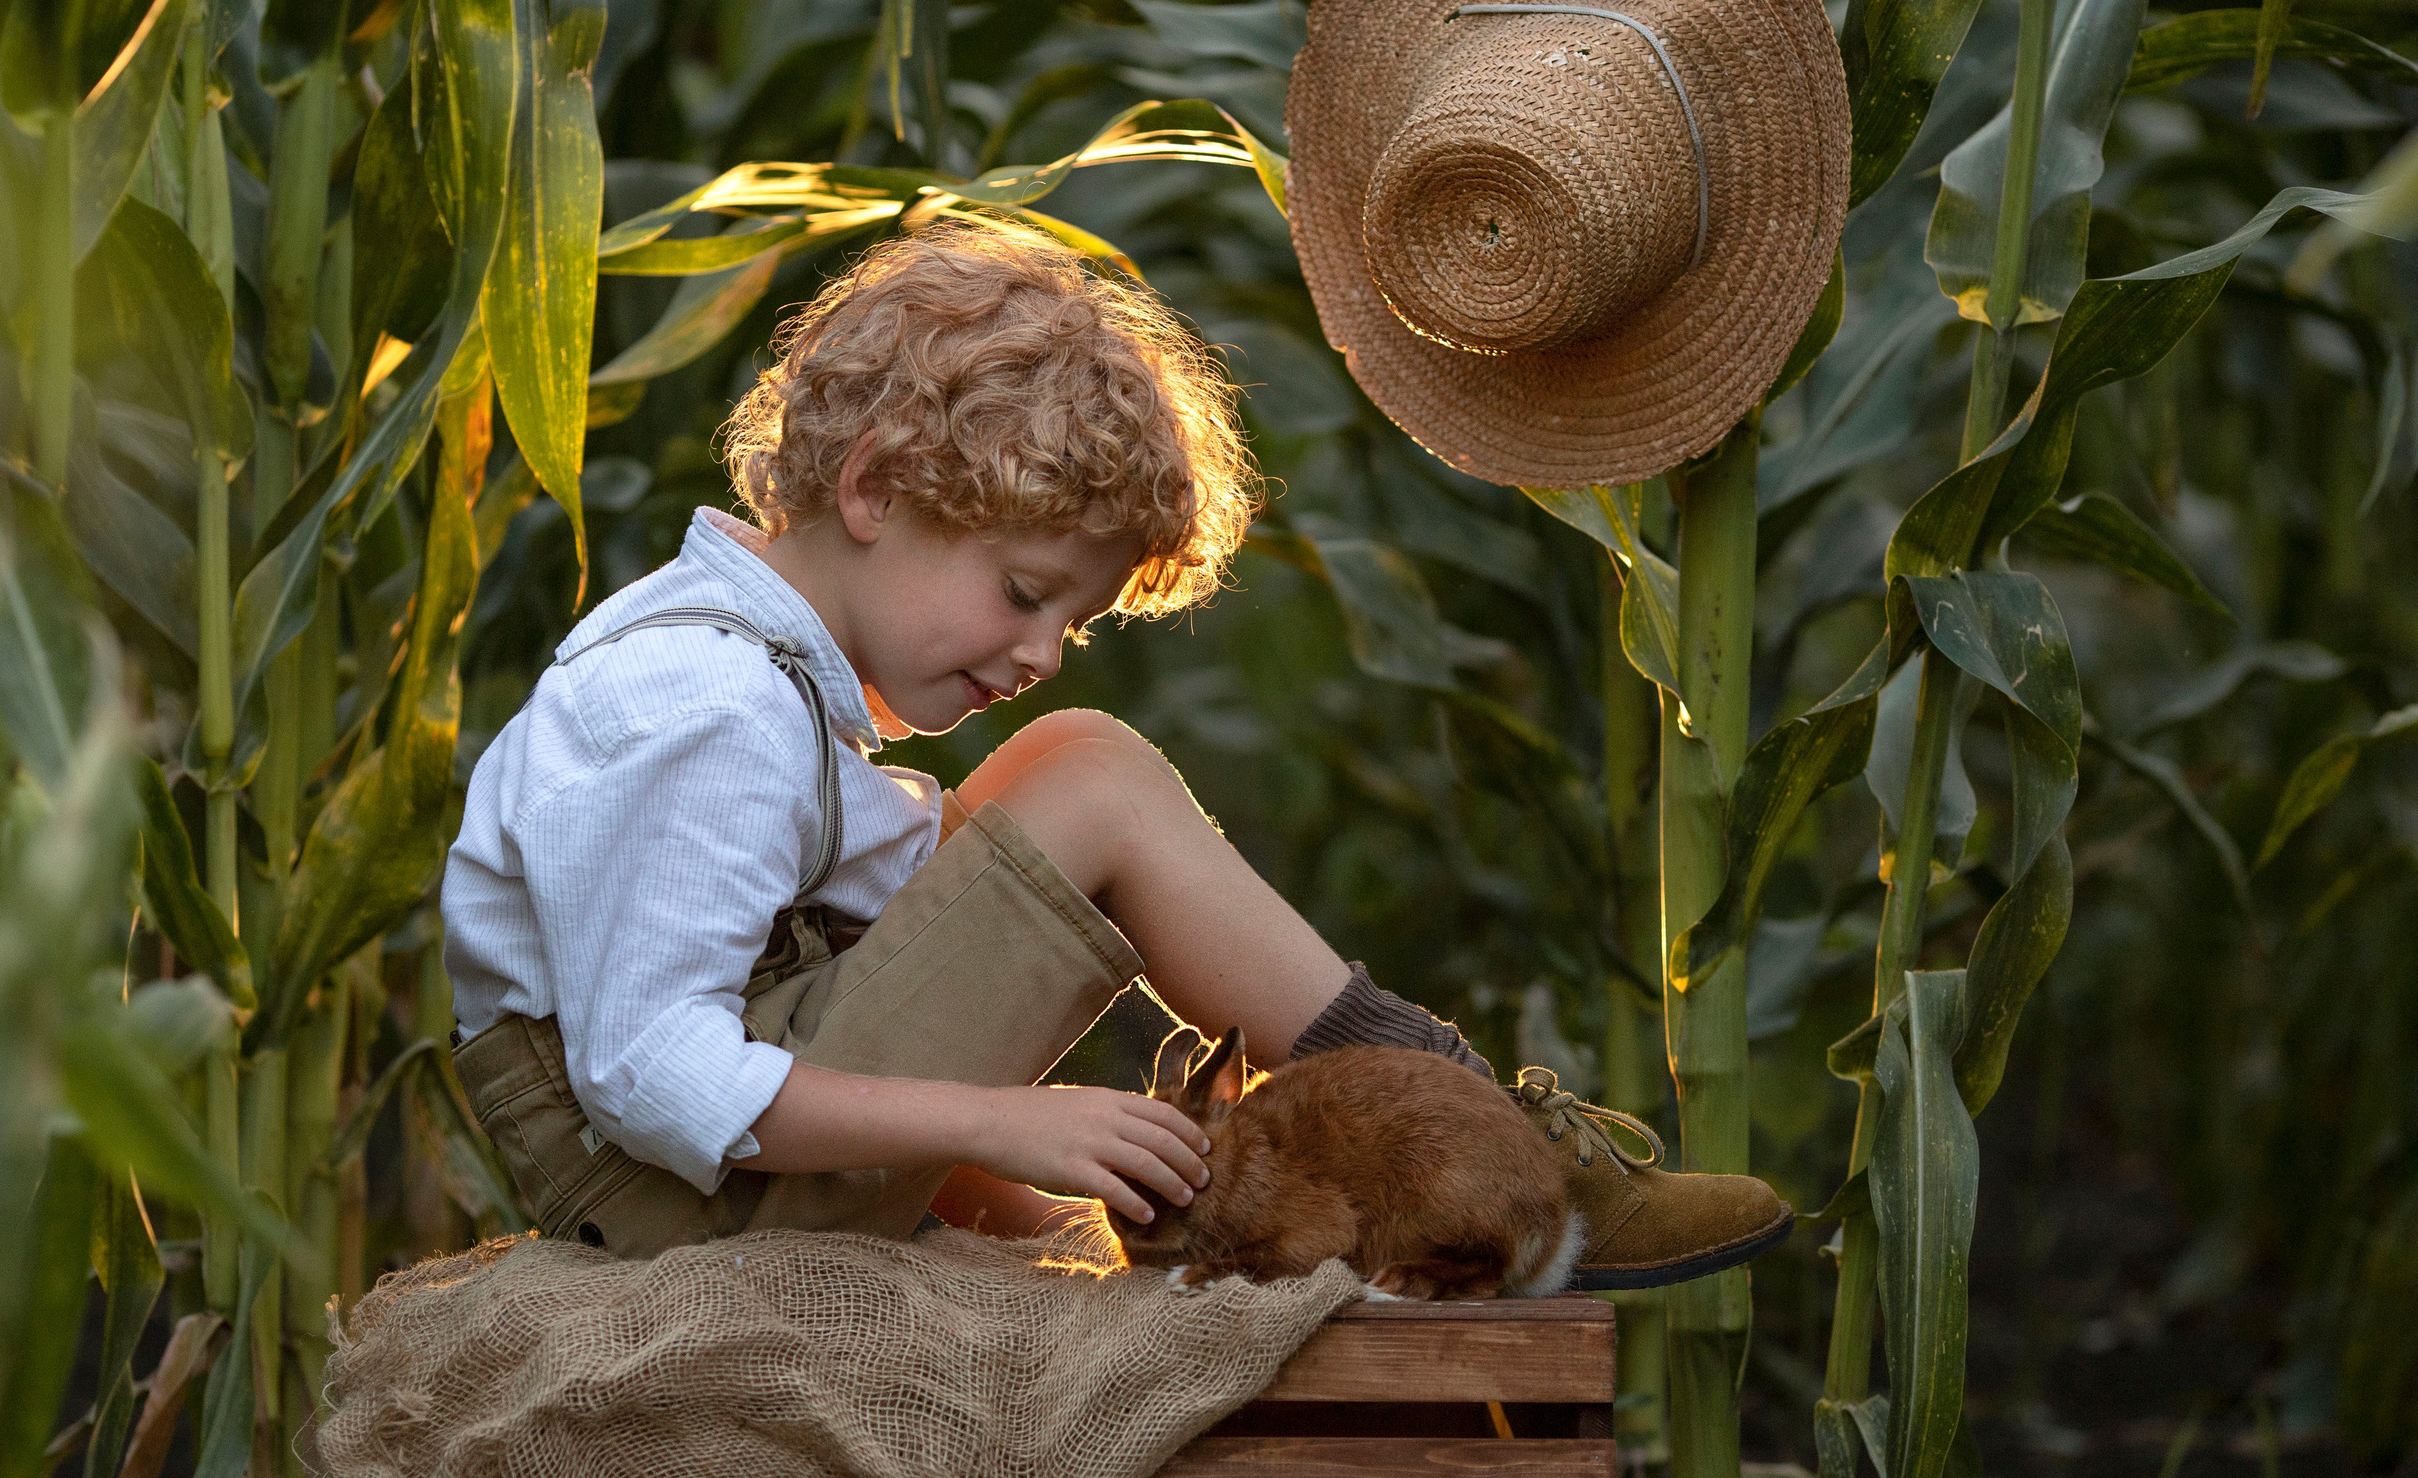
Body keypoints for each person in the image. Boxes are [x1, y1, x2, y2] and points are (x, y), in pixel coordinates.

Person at [441, 223, 1789, 1285]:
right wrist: (1001, 1126)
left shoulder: (750, 674)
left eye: (1071, 624)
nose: (1040, 652)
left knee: (1038, 784)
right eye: (1025, 593)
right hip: (674, 1203)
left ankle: (1448, 1139)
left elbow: (876, 925)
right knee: (1085, 773)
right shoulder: (706, 709)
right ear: (872, 489)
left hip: (698, 1175)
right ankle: (1493, 1146)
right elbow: (653, 1075)